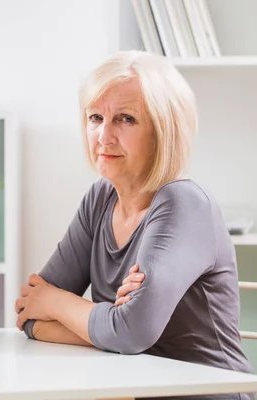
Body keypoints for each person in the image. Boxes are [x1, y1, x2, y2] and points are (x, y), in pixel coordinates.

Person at [15, 51, 253, 399]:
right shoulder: (100, 199)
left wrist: (56, 303)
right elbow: (28, 315)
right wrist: (110, 322)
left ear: (163, 130)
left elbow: (128, 333)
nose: (104, 136)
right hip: (132, 391)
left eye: (126, 119)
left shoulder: (184, 204)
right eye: (96, 117)